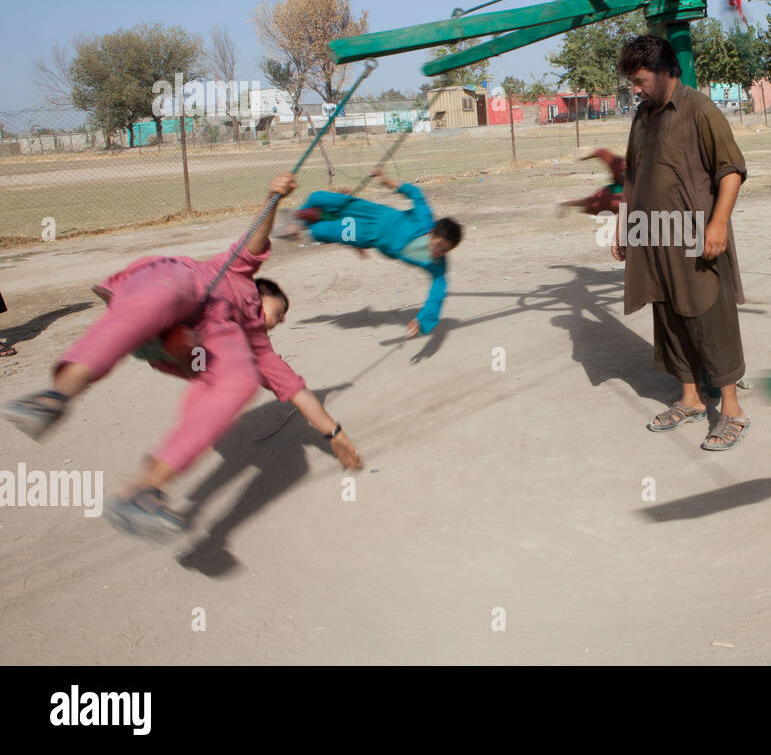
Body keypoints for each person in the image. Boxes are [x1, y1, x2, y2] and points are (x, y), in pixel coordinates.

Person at [1, 173, 362, 543]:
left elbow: (299, 394)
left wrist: (334, 434)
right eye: (280, 310)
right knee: (161, 297)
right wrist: (273, 198)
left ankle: (142, 492)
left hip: (196, 340)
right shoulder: (237, 272)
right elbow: (256, 240)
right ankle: (55, 396)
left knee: (239, 382)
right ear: (263, 292)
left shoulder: (257, 347)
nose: (281, 320)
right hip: (182, 286)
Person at [615, 35, 750, 451]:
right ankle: (690, 398)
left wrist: (718, 224)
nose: (635, 89)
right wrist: (623, 225)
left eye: (639, 81)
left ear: (665, 71)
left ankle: (731, 409)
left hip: (695, 235)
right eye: (632, 83)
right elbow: (633, 175)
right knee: (668, 317)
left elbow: (731, 169)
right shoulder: (642, 117)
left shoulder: (700, 109)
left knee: (709, 318)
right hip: (651, 235)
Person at [286, 168, 461, 338]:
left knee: (325, 231)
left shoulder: (437, 265)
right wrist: (386, 180)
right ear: (432, 233)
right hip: (373, 212)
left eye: (444, 250)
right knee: (320, 197)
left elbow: (437, 294)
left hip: (368, 235)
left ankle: (302, 229)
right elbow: (416, 193)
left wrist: (421, 321)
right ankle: (301, 217)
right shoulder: (424, 221)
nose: (438, 251)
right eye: (437, 244)